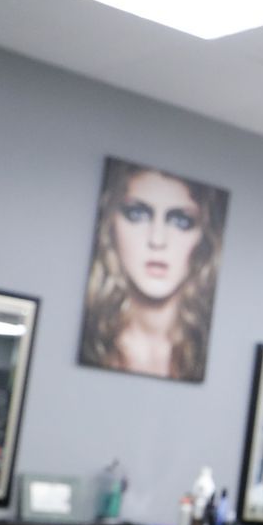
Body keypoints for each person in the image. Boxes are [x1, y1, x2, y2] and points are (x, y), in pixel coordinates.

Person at [77, 158, 226, 382]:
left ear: (203, 237)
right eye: (137, 214)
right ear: (111, 225)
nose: (157, 240)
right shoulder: (94, 345)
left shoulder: (205, 352)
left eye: (181, 221)